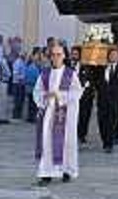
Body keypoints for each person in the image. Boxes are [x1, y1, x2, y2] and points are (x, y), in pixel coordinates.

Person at [33, 44, 83, 185]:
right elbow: (37, 91)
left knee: (66, 142)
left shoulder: (70, 74)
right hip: (49, 114)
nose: (55, 57)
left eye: (58, 54)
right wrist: (45, 95)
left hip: (65, 116)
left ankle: (66, 170)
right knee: (47, 142)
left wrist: (60, 95)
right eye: (53, 55)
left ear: (64, 56)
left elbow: (77, 93)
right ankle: (46, 173)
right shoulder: (45, 73)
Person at [97, 48, 118, 153]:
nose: (113, 57)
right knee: (102, 121)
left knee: (112, 121)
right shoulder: (101, 68)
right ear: (108, 56)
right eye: (111, 55)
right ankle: (105, 139)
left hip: (115, 100)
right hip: (102, 100)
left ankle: (109, 143)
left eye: (115, 55)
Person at [69, 46, 94, 145]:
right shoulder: (67, 65)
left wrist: (86, 85)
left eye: (76, 54)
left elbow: (90, 78)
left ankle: (82, 135)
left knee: (84, 115)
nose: (74, 56)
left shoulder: (86, 66)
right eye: (73, 54)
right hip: (71, 95)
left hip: (85, 95)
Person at [0, 55, 11, 124]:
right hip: (3, 81)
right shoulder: (3, 62)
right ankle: (1, 118)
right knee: (2, 101)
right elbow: (8, 73)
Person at [25, 51, 41, 123]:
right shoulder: (35, 69)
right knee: (33, 104)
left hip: (28, 87)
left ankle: (29, 117)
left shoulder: (28, 67)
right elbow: (37, 79)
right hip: (33, 87)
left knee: (30, 104)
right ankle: (32, 117)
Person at [11, 53, 26, 120]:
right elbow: (15, 73)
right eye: (24, 54)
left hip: (21, 83)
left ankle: (19, 114)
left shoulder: (23, 62)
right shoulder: (17, 62)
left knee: (21, 100)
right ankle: (15, 115)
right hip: (17, 83)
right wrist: (21, 78)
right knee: (17, 100)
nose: (26, 56)